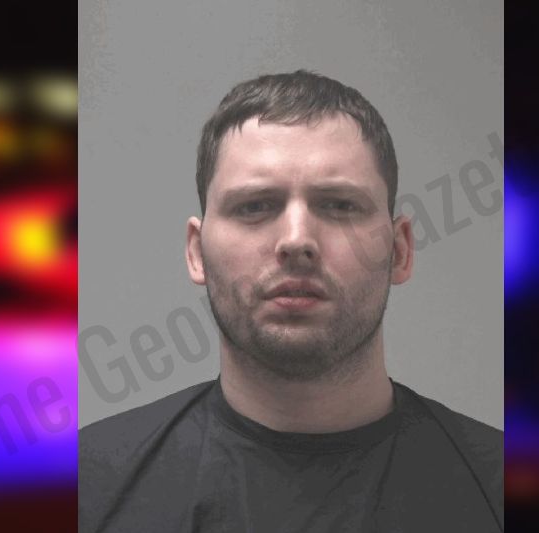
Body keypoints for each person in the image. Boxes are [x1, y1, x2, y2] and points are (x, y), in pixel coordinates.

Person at [80, 70, 503, 532]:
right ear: (197, 253)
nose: (297, 240)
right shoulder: (88, 489)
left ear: (400, 250)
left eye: (339, 205)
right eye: (255, 206)